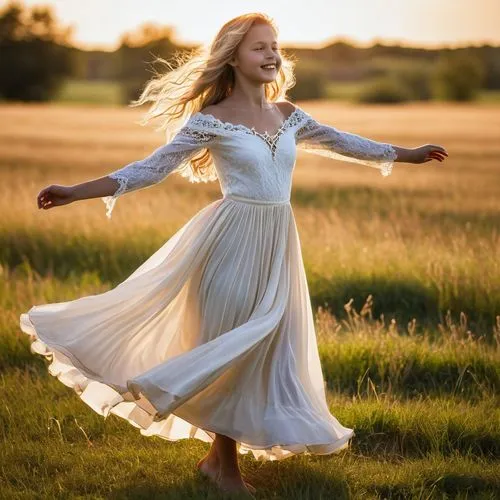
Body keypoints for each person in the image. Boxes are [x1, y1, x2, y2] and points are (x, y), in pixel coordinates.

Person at [20, 12, 448, 498]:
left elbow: (343, 142)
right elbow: (150, 168)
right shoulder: (212, 120)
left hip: (277, 243)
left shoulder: (289, 115)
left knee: (263, 348)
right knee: (230, 347)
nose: (270, 55)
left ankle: (213, 460)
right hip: (228, 243)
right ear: (233, 58)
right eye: (258, 47)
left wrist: (406, 154)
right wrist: (77, 191)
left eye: (274, 46)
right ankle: (225, 469)